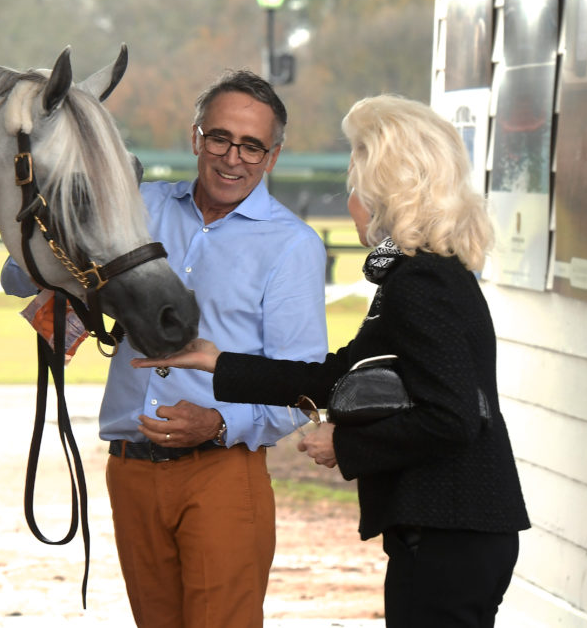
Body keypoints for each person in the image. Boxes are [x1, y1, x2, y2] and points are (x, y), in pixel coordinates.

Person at [133, 94, 530, 628]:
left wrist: (344, 443)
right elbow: (333, 375)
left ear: (383, 189)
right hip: (452, 529)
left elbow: (452, 419)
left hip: (450, 529)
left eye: (354, 178)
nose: (349, 195)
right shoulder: (420, 274)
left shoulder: (423, 282)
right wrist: (218, 361)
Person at [2, 69, 328, 627]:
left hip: (222, 470)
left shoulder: (292, 245)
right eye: (220, 137)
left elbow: (298, 385)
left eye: (252, 146)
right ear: (196, 137)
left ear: (272, 157)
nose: (233, 157)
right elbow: (17, 276)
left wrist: (219, 423)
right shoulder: (135, 204)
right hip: (129, 469)